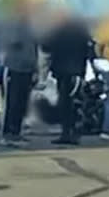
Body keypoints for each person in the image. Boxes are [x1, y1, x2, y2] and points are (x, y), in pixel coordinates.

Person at [40, 10, 93, 145]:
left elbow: (46, 46)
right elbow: (88, 48)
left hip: (63, 70)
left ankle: (67, 133)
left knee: (65, 102)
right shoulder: (81, 29)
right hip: (76, 70)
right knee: (74, 102)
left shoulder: (58, 30)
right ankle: (72, 131)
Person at [0, 0, 38, 147]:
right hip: (15, 67)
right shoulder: (15, 22)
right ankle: (9, 134)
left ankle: (17, 132)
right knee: (13, 102)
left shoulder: (30, 24)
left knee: (22, 102)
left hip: (27, 68)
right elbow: (13, 41)